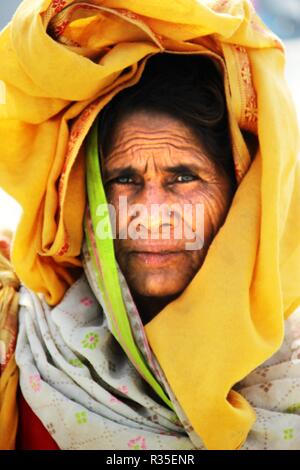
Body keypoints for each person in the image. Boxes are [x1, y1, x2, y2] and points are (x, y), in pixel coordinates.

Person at [0, 0, 299, 451]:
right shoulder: (20, 341)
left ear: (241, 196)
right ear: (87, 194)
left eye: (183, 177)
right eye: (124, 179)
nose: (152, 213)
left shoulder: (288, 371)